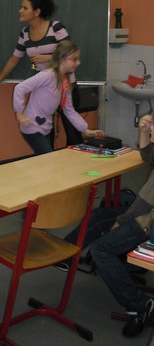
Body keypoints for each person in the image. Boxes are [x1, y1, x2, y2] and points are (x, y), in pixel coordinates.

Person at [0, 0, 83, 146]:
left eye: (25, 8)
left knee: (73, 133)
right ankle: (48, 160)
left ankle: (77, 160)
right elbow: (14, 59)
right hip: (44, 89)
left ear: (37, 12)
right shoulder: (25, 33)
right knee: (45, 134)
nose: (20, 11)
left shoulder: (55, 27)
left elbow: (70, 53)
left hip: (65, 86)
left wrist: (48, 58)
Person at [90, 113, 154, 338]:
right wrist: (143, 134)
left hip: (148, 222)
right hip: (146, 214)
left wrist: (122, 221)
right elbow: (149, 157)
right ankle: (122, 270)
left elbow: (144, 205)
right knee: (101, 218)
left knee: (100, 249)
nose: (150, 126)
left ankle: (139, 305)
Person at [12, 40, 103, 156]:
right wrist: (19, 114)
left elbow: (69, 110)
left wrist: (85, 130)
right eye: (74, 59)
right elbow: (20, 88)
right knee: (48, 159)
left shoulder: (65, 81)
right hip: (32, 126)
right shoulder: (47, 75)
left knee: (44, 161)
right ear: (62, 59)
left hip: (45, 127)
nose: (78, 63)